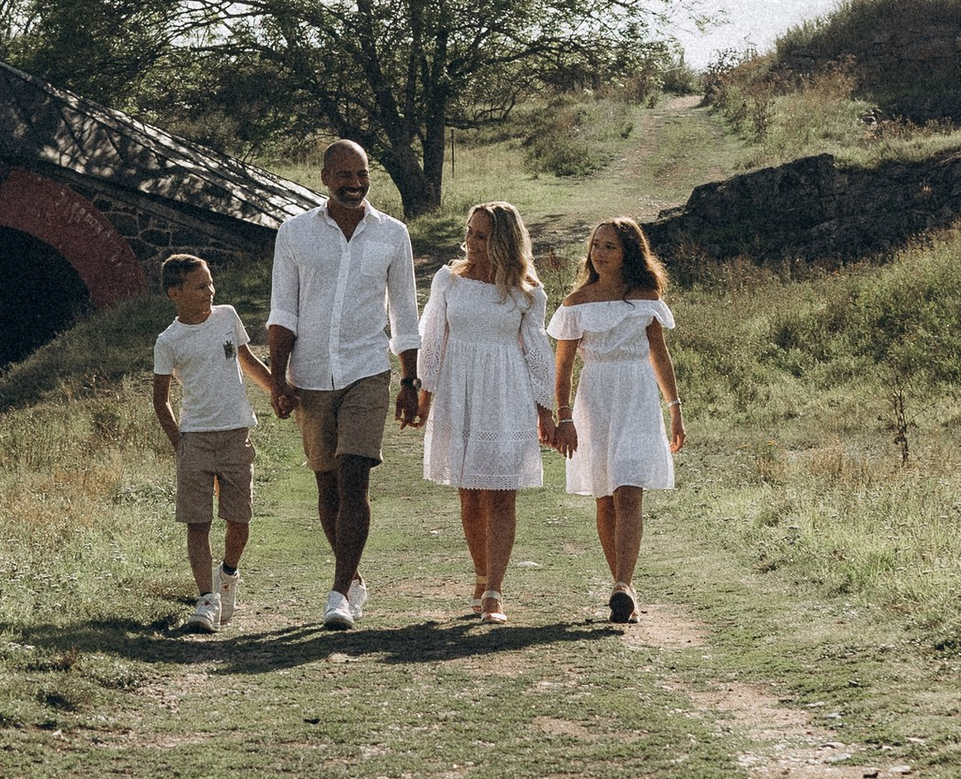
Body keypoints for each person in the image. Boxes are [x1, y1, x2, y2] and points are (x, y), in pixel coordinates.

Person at [265, 139, 421, 633]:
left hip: (367, 370)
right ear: (325, 176)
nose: (354, 184)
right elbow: (282, 312)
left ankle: (336, 593)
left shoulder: (392, 235)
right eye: (345, 175)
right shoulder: (294, 234)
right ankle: (352, 578)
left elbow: (405, 315)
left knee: (355, 477)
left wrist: (410, 380)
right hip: (310, 376)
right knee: (327, 485)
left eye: (363, 175)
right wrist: (278, 379)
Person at [415, 200, 555, 624]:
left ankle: (495, 589)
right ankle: (479, 574)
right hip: (460, 392)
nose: (472, 243)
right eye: (470, 233)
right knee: (470, 493)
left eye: (483, 236)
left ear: (504, 241)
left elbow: (537, 354)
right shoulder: (448, 281)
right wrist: (424, 398)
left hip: (506, 393)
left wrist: (545, 411)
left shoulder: (527, 292)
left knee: (501, 493)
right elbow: (433, 341)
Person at [551, 214, 683, 624]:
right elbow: (564, 367)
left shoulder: (645, 295)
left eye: (610, 246)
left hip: (638, 395)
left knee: (629, 489)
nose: (600, 253)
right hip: (596, 397)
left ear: (628, 251)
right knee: (605, 496)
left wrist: (675, 407)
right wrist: (564, 417)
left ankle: (623, 584)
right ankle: (621, 585)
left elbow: (658, 354)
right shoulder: (577, 303)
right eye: (595, 245)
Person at [150, 251, 273, 635]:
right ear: (176, 293)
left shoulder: (227, 317)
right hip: (196, 441)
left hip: (236, 432)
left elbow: (248, 361)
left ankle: (228, 576)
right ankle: (206, 599)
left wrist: (279, 390)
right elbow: (160, 398)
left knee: (240, 518)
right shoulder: (168, 341)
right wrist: (180, 443)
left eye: (210, 283)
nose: (210, 290)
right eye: (201, 286)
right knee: (198, 523)